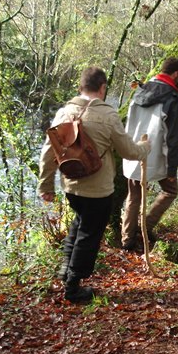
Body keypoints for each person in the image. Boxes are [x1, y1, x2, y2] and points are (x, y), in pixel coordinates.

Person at [37, 67, 151, 303]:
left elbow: (48, 152)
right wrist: (145, 147)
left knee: (80, 224)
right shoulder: (108, 116)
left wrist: (45, 186)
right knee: (89, 233)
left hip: (71, 185)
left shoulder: (63, 113)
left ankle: (65, 268)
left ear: (80, 87)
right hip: (98, 190)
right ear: (102, 88)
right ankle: (73, 287)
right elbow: (129, 151)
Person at [121, 57, 178, 252]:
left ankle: (127, 240)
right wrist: (172, 169)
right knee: (170, 190)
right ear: (176, 74)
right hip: (158, 155)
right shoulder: (172, 98)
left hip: (134, 150)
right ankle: (145, 226)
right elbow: (173, 139)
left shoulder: (140, 91)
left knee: (134, 196)